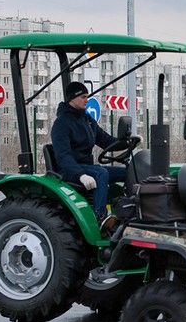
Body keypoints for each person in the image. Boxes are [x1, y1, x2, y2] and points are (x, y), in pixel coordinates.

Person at [51, 81, 128, 221]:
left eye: (87, 96)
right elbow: (63, 156)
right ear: (72, 99)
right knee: (101, 173)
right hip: (71, 171)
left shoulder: (87, 120)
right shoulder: (62, 123)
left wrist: (128, 142)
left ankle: (128, 211)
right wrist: (80, 175)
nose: (87, 100)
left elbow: (106, 141)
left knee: (128, 172)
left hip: (88, 168)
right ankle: (99, 217)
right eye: (83, 97)